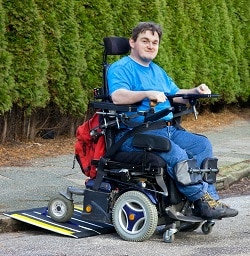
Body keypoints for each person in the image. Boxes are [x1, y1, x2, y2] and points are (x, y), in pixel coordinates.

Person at [107, 21, 238, 219]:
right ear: (132, 42)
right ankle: (201, 200)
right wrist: (146, 94)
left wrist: (195, 91)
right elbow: (118, 96)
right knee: (176, 153)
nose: (151, 46)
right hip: (136, 133)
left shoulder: (157, 70)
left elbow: (175, 94)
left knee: (202, 145)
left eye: (155, 42)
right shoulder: (121, 68)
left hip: (167, 129)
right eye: (145, 41)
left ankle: (211, 199)